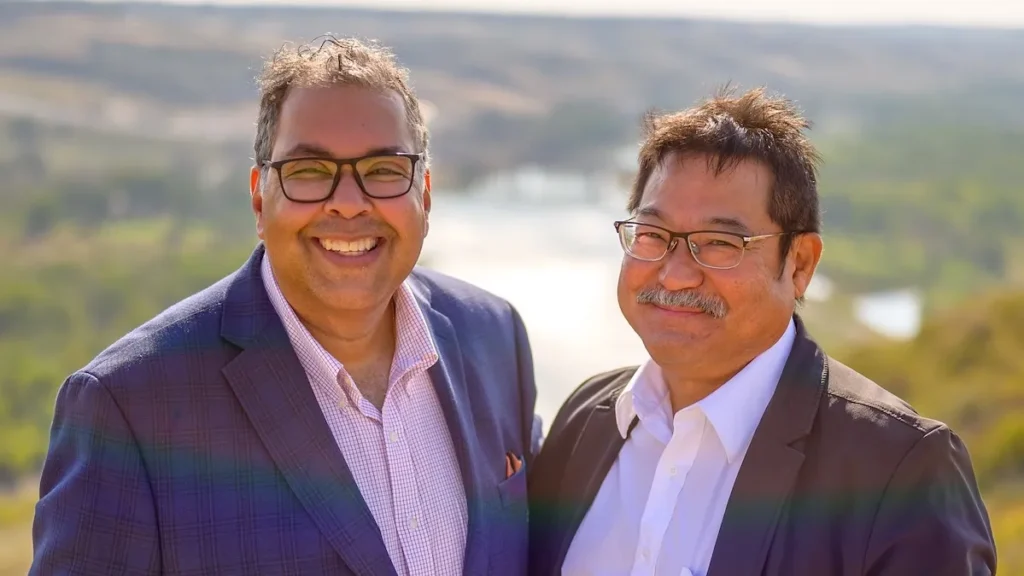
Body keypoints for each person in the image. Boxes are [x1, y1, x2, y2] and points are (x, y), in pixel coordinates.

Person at [32, 36, 539, 576]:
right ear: (259, 198)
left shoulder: (493, 336)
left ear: (426, 194)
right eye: (309, 173)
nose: (348, 203)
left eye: (385, 170)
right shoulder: (129, 407)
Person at [527, 87, 996, 576]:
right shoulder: (588, 419)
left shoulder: (899, 470)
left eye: (719, 243)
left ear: (800, 264)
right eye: (652, 235)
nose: (675, 274)